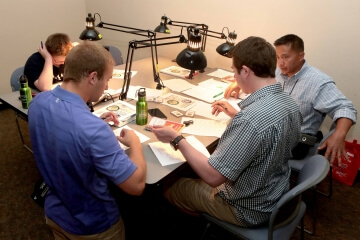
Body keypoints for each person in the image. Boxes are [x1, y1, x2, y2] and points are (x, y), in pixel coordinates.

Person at [150, 36, 302, 227]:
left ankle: (199, 226)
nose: (235, 78)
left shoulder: (249, 120)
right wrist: (237, 115)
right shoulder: (291, 104)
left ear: (245, 71)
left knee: (169, 186)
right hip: (275, 191)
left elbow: (213, 177)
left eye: (234, 72)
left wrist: (176, 138)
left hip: (247, 208)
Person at [28, 41, 147, 240]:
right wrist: (134, 142)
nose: (107, 86)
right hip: (93, 225)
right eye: (107, 79)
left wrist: (92, 121)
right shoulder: (94, 130)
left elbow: (61, 130)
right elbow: (136, 185)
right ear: (93, 77)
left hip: (55, 212)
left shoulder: (38, 102)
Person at [224, 34, 357, 165]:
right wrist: (239, 83)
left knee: (238, 141)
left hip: (296, 142)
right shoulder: (277, 73)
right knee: (239, 133)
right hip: (271, 129)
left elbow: (346, 108)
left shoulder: (318, 82)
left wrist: (339, 135)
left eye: (286, 57)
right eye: (278, 57)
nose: (281, 63)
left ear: (301, 56)